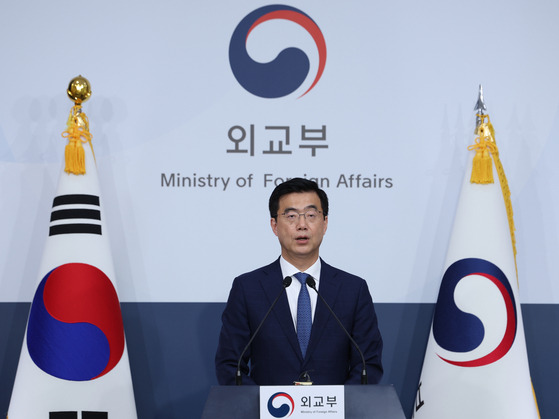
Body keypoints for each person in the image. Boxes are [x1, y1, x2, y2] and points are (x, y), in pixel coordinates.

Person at [215, 178, 383, 385]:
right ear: (274, 226)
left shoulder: (353, 290)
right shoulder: (248, 288)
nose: (302, 225)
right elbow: (231, 365)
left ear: (325, 223)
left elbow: (368, 365)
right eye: (291, 216)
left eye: (311, 215)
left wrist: (335, 411)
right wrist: (265, 409)